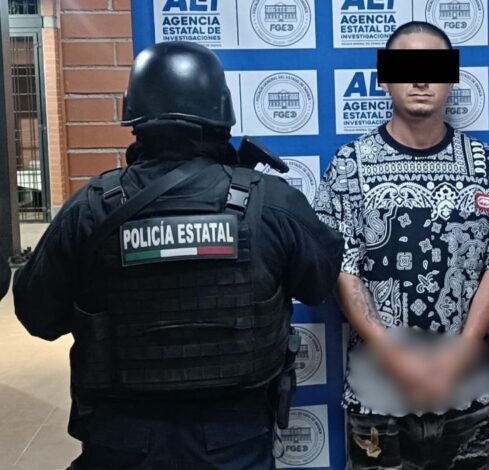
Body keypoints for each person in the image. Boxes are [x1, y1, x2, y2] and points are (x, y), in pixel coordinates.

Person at [13, 41, 343, 469]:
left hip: (121, 440)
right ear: (222, 113)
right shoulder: (271, 202)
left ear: (135, 116)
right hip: (235, 442)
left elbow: (38, 317)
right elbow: (319, 282)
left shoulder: (91, 209)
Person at [314, 21, 489, 470]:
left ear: (452, 78)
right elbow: (343, 269)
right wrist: (394, 357)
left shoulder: (486, 166)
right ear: (383, 78)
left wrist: (461, 354)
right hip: (378, 396)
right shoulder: (350, 166)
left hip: (466, 394)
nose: (421, 80)